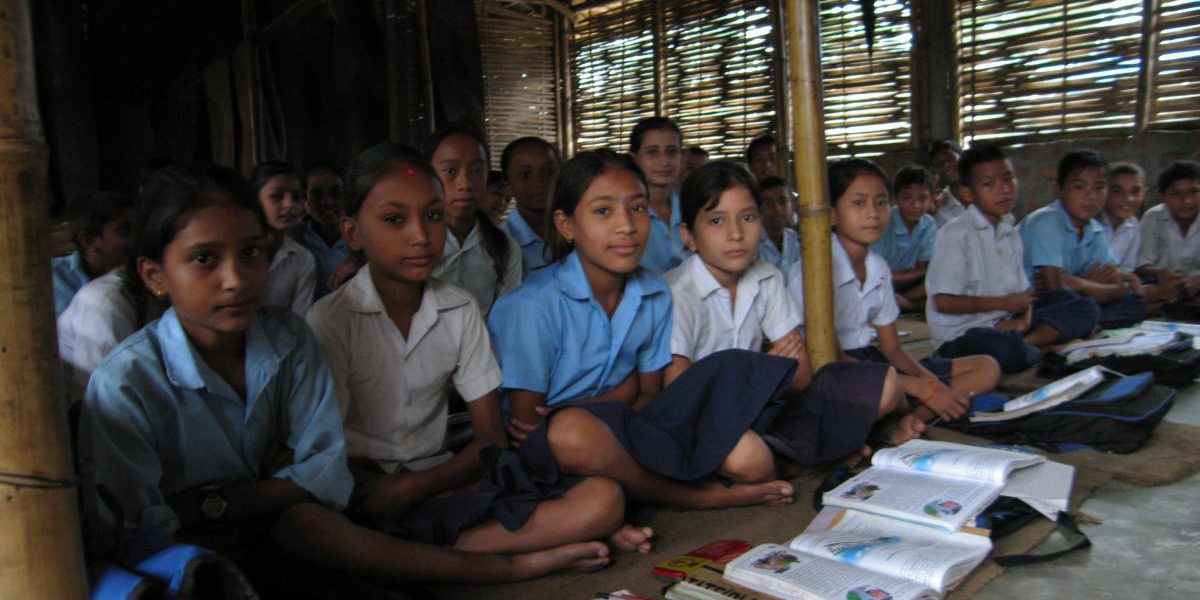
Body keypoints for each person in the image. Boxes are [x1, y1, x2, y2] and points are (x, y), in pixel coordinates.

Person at [77, 164, 612, 597]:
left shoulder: (286, 338)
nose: (235, 279)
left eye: (251, 253)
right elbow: (141, 529)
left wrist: (217, 501)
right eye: (203, 260)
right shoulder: (127, 384)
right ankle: (509, 566)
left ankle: (500, 565)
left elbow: (324, 473)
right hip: (194, 557)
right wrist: (261, 495)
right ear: (155, 275)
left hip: (298, 523)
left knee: (330, 538)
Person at [306, 142, 644, 557]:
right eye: (394, 219)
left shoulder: (458, 307)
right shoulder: (330, 321)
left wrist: (420, 485)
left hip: (443, 477)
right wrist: (386, 490)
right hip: (365, 489)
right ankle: (525, 554)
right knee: (324, 526)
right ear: (352, 233)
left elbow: (490, 437)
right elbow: (324, 454)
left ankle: (426, 551)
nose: (419, 235)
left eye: (433, 216)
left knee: (603, 498)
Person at [490, 149, 796, 510]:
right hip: (555, 448)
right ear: (567, 225)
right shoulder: (532, 306)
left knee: (602, 490)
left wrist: (587, 404)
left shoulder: (653, 293)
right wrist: (619, 394)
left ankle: (628, 493)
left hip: (631, 427)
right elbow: (529, 425)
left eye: (637, 208)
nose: (626, 225)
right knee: (569, 437)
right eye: (603, 211)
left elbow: (650, 395)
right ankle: (696, 498)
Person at [667, 161, 917, 465]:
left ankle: (803, 452)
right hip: (708, 419)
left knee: (886, 384)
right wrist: (763, 370)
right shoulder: (677, 292)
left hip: (766, 408)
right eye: (717, 221)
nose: (735, 233)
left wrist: (761, 376)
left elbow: (800, 374)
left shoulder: (767, 277)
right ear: (688, 236)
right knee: (747, 457)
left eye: (747, 217)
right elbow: (681, 394)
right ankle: (822, 449)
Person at [789, 158, 1000, 423]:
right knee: (888, 390)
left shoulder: (877, 267)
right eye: (858, 203)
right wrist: (917, 387)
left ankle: (915, 417)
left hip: (871, 360)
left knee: (986, 367)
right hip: (832, 370)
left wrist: (932, 385)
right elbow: (828, 358)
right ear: (831, 213)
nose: (873, 213)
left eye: (880, 202)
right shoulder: (813, 273)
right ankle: (906, 417)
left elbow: (892, 348)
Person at [925, 144, 1099, 374]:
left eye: (1008, 180)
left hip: (1007, 323)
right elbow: (943, 302)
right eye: (989, 184)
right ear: (968, 193)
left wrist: (1023, 320)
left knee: (1084, 307)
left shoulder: (1010, 231)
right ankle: (1036, 346)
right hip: (963, 335)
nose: (1003, 190)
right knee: (1005, 351)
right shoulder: (955, 233)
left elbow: (1024, 296)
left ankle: (1030, 343)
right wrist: (1005, 304)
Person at [1021, 150, 1148, 328]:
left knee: (1135, 302)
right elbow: (1054, 288)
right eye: (1079, 187)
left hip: (1074, 302)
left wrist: (1075, 282)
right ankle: (1083, 326)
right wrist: (1086, 285)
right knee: (1074, 302)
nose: (1091, 196)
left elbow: (1118, 288)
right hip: (1032, 304)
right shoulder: (1045, 220)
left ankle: (1082, 327)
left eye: (1098, 187)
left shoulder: (1094, 230)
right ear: (1059, 190)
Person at [424, 123, 522, 314]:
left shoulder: (504, 248)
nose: (465, 184)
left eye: (477, 170)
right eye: (451, 171)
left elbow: (506, 319)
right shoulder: (416, 243)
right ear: (428, 175)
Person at [52, 191, 137, 316]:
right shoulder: (50, 281)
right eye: (124, 231)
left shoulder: (143, 275)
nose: (136, 239)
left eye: (138, 229)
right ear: (88, 241)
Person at [250, 161, 317, 315]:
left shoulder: (302, 260)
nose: (289, 204)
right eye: (277, 196)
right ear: (254, 200)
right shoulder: (234, 251)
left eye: (296, 197)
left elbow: (299, 322)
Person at [873, 166, 937, 312]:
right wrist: (920, 273)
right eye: (907, 198)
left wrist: (921, 273)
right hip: (881, 282)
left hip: (908, 285)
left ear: (932, 198)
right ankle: (904, 304)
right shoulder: (884, 223)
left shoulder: (929, 224)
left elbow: (923, 268)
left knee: (941, 279)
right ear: (894, 198)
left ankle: (901, 302)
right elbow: (875, 274)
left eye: (923, 198)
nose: (915, 205)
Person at [629, 116, 689, 273]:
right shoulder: (626, 215)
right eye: (652, 152)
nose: (664, 161)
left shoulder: (693, 208)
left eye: (671, 151)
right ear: (635, 159)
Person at [1136, 160, 1200, 300]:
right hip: (1165, 285)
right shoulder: (1153, 217)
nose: (1186, 201)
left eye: (1193, 192)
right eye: (1176, 194)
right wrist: (1161, 272)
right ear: (1162, 196)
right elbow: (1142, 264)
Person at [291, 160, 354, 297]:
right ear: (306, 201)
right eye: (317, 194)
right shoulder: (294, 238)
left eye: (335, 193)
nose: (327, 202)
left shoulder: (362, 237)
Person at [498, 137, 560, 275]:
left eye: (549, 172)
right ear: (508, 184)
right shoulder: (499, 243)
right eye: (525, 175)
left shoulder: (576, 234)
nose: (539, 182)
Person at [1099, 162, 1147, 273]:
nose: (1128, 199)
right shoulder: (1091, 224)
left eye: (1135, 191)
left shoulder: (1133, 226)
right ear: (1104, 192)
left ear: (1144, 194)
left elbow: (1127, 268)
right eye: (1117, 191)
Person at [755, 175, 801, 278]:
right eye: (768, 203)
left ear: (792, 205)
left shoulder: (796, 240)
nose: (777, 208)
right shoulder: (753, 244)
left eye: (782, 201)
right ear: (757, 208)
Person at [928, 140, 967, 227]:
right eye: (938, 163)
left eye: (950, 158)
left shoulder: (982, 194)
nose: (946, 165)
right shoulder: (937, 207)